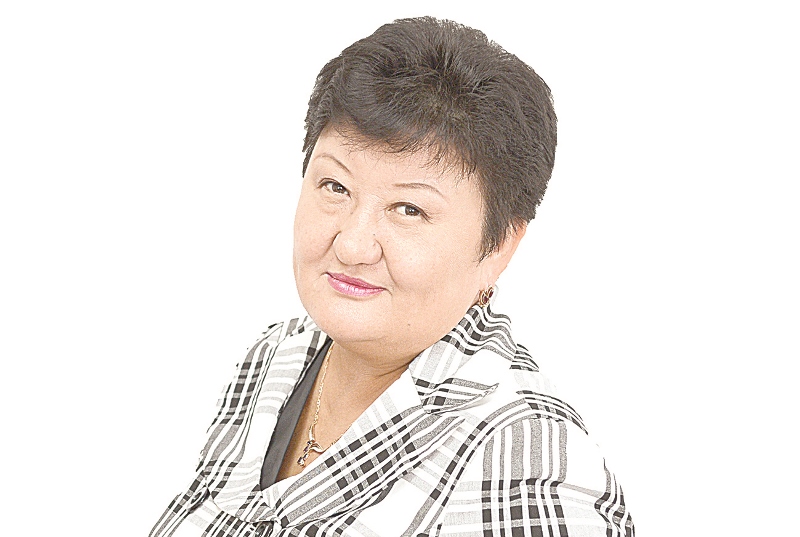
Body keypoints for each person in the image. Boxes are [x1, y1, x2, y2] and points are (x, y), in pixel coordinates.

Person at [150, 16, 634, 537]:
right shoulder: (275, 359)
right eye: (335, 187)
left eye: (409, 210)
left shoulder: (530, 467)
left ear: (499, 245)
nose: (353, 245)